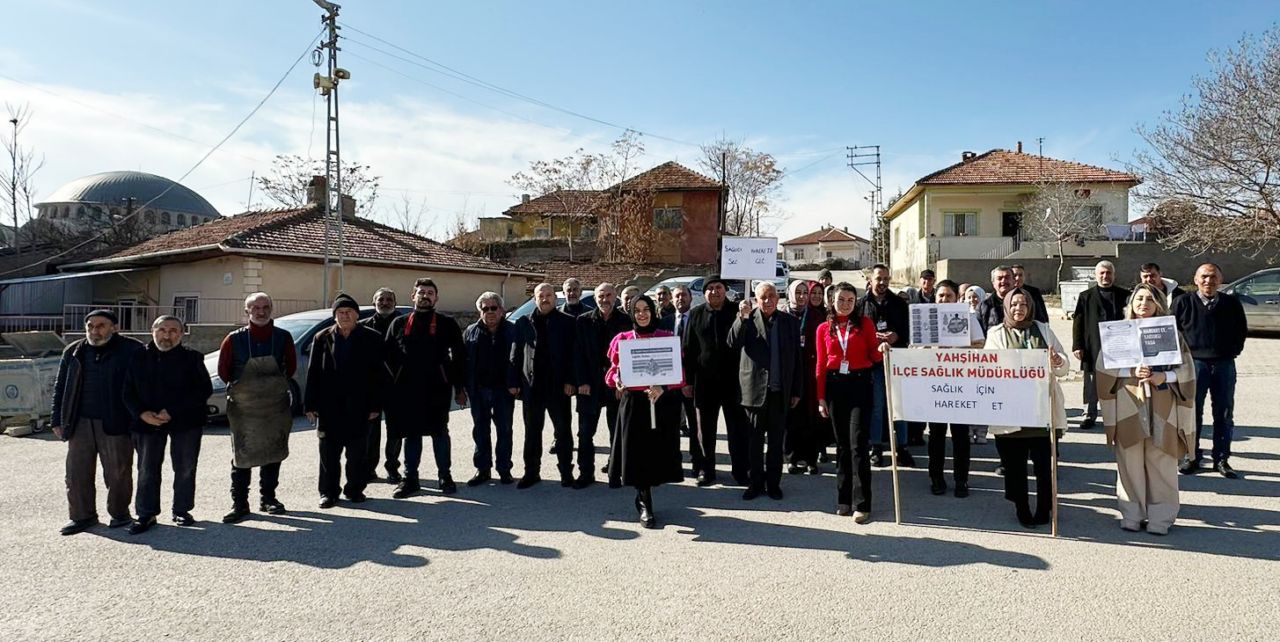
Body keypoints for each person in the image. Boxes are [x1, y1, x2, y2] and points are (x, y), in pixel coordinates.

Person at [1096, 284, 1196, 534]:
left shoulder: (1171, 334)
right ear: (1130, 304)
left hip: (1163, 404)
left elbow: (1187, 370)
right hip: (1129, 403)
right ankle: (1132, 513)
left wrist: (1166, 377)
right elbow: (1103, 369)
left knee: (1161, 459)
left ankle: (1161, 517)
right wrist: (1130, 372)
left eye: (1150, 299)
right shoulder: (1117, 332)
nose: (1143, 303)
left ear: (1158, 304)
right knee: (1129, 460)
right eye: (1139, 299)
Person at [52, 310, 145, 535]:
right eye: (91, 326)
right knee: (76, 473)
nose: (95, 330)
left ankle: (120, 514)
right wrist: (57, 419)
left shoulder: (132, 350)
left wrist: (141, 417)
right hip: (79, 422)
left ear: (114, 327)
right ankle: (82, 517)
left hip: (116, 422)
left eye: (101, 326)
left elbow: (144, 386)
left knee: (118, 472)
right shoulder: (74, 351)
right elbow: (61, 386)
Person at [984, 288, 1070, 528]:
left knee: (1044, 465)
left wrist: (1057, 361)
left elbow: (1063, 366)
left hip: (1041, 411)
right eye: (1014, 305)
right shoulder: (996, 333)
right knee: (1015, 466)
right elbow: (989, 368)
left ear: (1030, 307)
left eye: (1023, 304)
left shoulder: (1043, 330)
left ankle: (1045, 508)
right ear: (1007, 307)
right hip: (1011, 411)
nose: (1018, 309)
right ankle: (1021, 507)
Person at [122, 316, 211, 534]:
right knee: (147, 469)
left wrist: (172, 411)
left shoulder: (192, 358)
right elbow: (126, 391)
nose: (167, 335)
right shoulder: (137, 357)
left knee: (185, 467)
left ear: (181, 334)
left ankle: (181, 509)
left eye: (173, 331)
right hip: (146, 422)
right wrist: (142, 414)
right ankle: (146, 513)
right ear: (152, 331)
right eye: (162, 330)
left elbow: (202, 391)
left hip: (185, 421)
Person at [604, 295, 686, 528]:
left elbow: (679, 374)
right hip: (634, 405)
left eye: (646, 309)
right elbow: (612, 373)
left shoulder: (666, 338)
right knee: (636, 454)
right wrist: (618, 380)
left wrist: (663, 387)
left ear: (653, 311)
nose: (642, 314)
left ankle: (646, 495)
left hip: (660, 404)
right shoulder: (623, 339)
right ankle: (645, 503)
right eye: (637, 310)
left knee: (655, 454)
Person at [384, 278, 468, 498]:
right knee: (411, 434)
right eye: (421, 292)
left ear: (436, 298)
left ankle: (445, 476)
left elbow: (459, 357)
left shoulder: (447, 323)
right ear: (413, 296)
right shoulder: (399, 323)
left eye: (430, 292)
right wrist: (392, 384)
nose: (425, 296)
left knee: (440, 432)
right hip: (407, 389)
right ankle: (410, 479)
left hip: (437, 388)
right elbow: (387, 357)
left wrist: (459, 388)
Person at [218, 293, 296, 524]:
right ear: (247, 311)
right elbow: (224, 371)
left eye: (265, 307)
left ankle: (268, 498)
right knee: (242, 456)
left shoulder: (283, 337)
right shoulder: (233, 340)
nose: (261, 312)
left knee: (273, 452)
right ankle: (240, 504)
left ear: (271, 309)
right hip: (244, 408)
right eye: (255, 308)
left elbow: (289, 368)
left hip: (275, 406)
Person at [305, 294, 385, 508]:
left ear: (357, 315)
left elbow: (379, 375)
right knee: (329, 454)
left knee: (357, 452)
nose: (345, 316)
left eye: (349, 312)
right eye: (340, 312)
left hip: (360, 405)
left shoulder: (372, 337)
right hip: (329, 406)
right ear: (334, 316)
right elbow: (313, 372)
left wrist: (376, 405)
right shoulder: (322, 338)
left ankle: (355, 489)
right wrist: (310, 405)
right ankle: (328, 493)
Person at [728, 282, 805, 500]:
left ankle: (773, 484)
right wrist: (740, 318)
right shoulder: (748, 319)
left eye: (772, 296)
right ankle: (755, 483)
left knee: (775, 443)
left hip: (779, 392)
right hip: (754, 392)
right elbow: (732, 342)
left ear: (779, 297)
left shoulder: (790, 322)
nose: (768, 300)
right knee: (754, 443)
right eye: (763, 297)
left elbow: (796, 359)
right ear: (755, 299)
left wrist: (796, 389)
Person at [1171, 263, 1248, 478]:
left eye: (1213, 277)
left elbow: (1241, 331)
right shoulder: (1182, 302)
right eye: (1204, 277)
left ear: (1220, 280)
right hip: (1193, 364)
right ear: (1195, 280)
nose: (1208, 281)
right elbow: (1171, 333)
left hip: (1224, 365)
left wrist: (1232, 351)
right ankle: (1191, 456)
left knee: (1224, 413)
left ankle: (1221, 459)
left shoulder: (1231, 304)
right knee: (1192, 413)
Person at [815, 282, 880, 523]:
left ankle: (862, 502)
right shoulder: (823, 328)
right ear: (832, 300)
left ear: (855, 303)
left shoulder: (865, 325)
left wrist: (883, 348)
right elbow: (820, 364)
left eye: (850, 300)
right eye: (841, 299)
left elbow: (874, 354)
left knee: (858, 444)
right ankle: (843, 498)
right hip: (834, 388)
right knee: (841, 445)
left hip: (859, 386)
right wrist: (820, 396)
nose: (845, 304)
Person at [683, 275, 749, 486]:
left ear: (725, 289)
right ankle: (706, 469)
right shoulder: (695, 314)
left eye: (718, 287)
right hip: (704, 382)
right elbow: (689, 349)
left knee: (737, 429)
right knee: (705, 431)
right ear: (704, 293)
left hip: (734, 382)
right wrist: (687, 381)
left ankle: (740, 470)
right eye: (710, 288)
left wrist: (745, 316)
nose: (714, 291)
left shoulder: (738, 311)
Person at [512, 283, 578, 488]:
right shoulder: (523, 322)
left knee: (563, 431)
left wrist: (571, 381)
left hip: (558, 387)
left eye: (549, 295)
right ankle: (531, 472)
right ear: (535, 299)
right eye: (541, 295)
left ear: (555, 299)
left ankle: (566, 472)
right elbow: (515, 355)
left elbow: (574, 355)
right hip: (532, 387)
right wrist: (514, 382)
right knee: (532, 431)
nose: (545, 298)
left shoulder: (568, 322)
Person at [922, 280, 979, 497]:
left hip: (960, 385)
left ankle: (961, 480)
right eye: (941, 296)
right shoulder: (926, 319)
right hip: (935, 385)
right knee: (936, 435)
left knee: (960, 435)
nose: (945, 300)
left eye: (949, 296)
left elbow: (981, 345)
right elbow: (914, 350)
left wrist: (959, 346)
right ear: (935, 298)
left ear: (957, 298)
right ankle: (936, 477)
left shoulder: (969, 318)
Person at [575, 283, 632, 484]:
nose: (604, 299)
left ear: (615, 297)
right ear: (595, 298)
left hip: (615, 386)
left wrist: (623, 382)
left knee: (617, 432)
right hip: (588, 386)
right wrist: (581, 381)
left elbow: (629, 355)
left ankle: (615, 472)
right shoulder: (583, 322)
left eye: (608, 295)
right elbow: (578, 354)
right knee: (585, 433)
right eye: (601, 295)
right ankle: (585, 473)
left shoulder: (626, 321)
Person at [859, 264, 913, 466]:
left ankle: (902, 447)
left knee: (899, 407)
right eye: (878, 278)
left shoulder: (899, 303)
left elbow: (909, 330)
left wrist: (896, 335)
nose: (882, 283)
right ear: (870, 280)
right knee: (877, 406)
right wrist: (872, 338)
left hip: (897, 361)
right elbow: (856, 333)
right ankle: (877, 447)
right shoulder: (861, 304)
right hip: (873, 364)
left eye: (885, 279)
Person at [463, 292, 518, 486]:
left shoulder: (513, 331)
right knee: (480, 431)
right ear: (480, 312)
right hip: (479, 390)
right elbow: (463, 362)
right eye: (485, 309)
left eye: (493, 308)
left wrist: (516, 383)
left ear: (502, 310)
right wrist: (462, 389)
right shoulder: (470, 331)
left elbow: (520, 361)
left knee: (504, 430)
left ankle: (504, 469)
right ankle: (483, 470)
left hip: (503, 391)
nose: (490, 312)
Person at [1072, 261, 1131, 430]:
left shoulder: (1125, 295)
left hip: (1119, 347)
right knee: (1091, 383)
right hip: (1093, 346)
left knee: (1119, 382)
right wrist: (1077, 345)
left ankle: (1119, 415)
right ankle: (1089, 414)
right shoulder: (1086, 296)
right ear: (1096, 275)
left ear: (1114, 275)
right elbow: (1078, 322)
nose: (1105, 276)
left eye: (1109, 273)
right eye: (1102, 273)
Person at [784, 280, 827, 475]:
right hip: (790, 373)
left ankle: (811, 459)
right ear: (791, 294)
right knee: (791, 417)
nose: (801, 296)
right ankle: (792, 458)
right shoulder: (783, 315)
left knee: (811, 417)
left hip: (810, 372)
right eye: (798, 292)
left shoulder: (817, 316)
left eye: (804, 293)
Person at [360, 287, 401, 483]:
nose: (385, 302)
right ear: (374, 301)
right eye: (381, 299)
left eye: (389, 299)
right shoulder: (363, 327)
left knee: (395, 430)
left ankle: (393, 468)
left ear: (394, 302)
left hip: (396, 385)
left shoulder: (403, 324)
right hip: (370, 388)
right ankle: (368, 469)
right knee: (370, 431)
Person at [667, 285, 698, 442]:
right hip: (669, 384)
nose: (681, 298)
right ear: (672, 300)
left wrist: (689, 381)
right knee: (670, 425)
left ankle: (697, 461)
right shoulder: (664, 322)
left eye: (684, 295)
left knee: (694, 424)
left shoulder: (698, 319)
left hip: (691, 383)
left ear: (691, 298)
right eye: (677, 296)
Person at [959, 284, 989, 444]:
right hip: (963, 365)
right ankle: (969, 432)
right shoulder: (960, 314)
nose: (972, 300)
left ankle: (982, 432)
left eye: (976, 296)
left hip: (982, 363)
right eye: (969, 297)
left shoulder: (986, 311)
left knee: (982, 398)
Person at [977, 266, 1015, 333]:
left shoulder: (1025, 303)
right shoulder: (984, 306)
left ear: (1014, 281)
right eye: (999, 278)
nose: (1003, 281)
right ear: (993, 283)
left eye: (1007, 277)